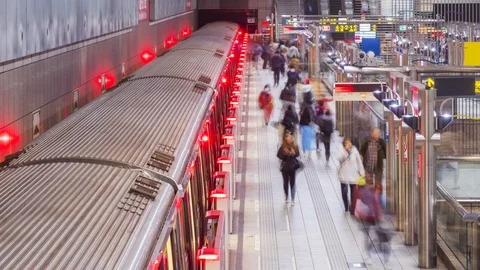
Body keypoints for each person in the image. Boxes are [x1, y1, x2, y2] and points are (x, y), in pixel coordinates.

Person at [338, 138, 365, 215]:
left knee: (353, 193)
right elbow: (339, 159)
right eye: (346, 143)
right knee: (344, 192)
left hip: (353, 175)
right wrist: (345, 151)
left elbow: (359, 162)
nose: (348, 144)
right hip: (343, 175)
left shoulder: (355, 151)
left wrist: (362, 172)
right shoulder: (341, 150)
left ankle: (352, 207)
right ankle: (346, 205)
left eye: (349, 142)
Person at [277, 130, 301, 205]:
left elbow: (297, 155)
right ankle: (287, 196)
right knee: (285, 182)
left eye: (291, 138)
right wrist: (285, 153)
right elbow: (279, 155)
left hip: (292, 167)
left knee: (292, 182)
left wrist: (293, 153)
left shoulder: (295, 146)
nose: (290, 139)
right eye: (288, 137)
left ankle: (293, 198)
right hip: (285, 167)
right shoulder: (283, 146)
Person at [360, 128, 387, 192]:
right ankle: (370, 198)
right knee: (369, 185)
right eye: (375, 134)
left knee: (378, 184)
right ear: (372, 134)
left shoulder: (381, 142)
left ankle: (378, 199)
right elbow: (361, 151)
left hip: (378, 167)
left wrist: (382, 156)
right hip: (368, 166)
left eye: (378, 134)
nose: (377, 135)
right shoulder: (367, 142)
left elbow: (387, 152)